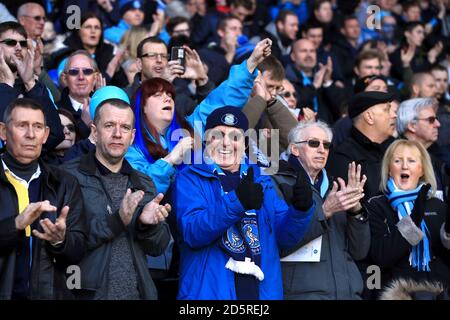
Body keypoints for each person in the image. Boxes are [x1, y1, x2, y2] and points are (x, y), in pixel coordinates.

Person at [174, 106, 315, 299]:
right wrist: (237, 202)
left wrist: (300, 211)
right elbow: (193, 231)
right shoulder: (189, 178)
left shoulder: (261, 179)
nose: (226, 143)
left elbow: (285, 238)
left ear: (245, 143)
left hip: (261, 294)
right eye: (218, 134)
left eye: (235, 136)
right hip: (210, 293)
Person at [63, 86, 172, 299]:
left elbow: (158, 248)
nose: (117, 134)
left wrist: (147, 226)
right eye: (109, 125)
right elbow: (64, 245)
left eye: (124, 128)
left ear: (132, 137)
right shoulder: (68, 177)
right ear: (94, 132)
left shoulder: (144, 182)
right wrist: (118, 220)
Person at [126, 38, 272, 194]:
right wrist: (170, 160)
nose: (167, 98)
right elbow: (140, 188)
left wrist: (251, 63)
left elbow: (221, 101)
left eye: (169, 94)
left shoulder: (189, 128)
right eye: (157, 95)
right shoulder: (130, 144)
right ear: (142, 107)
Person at [0, 98, 87, 299]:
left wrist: (60, 241)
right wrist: (15, 225)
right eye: (22, 126)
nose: (31, 134)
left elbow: (79, 250)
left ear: (46, 134)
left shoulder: (64, 182)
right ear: (3, 132)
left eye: (37, 127)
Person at [272, 120, 369, 300]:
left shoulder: (337, 187)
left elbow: (359, 251)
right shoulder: (276, 183)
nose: (321, 150)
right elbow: (281, 243)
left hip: (349, 294)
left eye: (326, 145)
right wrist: (323, 211)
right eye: (314, 143)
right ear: (294, 149)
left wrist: (356, 211)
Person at [367, 139, 450, 292]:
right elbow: (381, 256)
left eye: (411, 161)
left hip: (440, 291)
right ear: (389, 169)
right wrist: (413, 221)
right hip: (398, 293)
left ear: (422, 169)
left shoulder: (438, 205)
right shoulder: (376, 205)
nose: (404, 166)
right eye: (398, 161)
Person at [0, 21, 64, 153]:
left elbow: (55, 135)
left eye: (23, 44)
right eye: (10, 42)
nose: (18, 47)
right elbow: (5, 138)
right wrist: (6, 86)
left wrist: (29, 82)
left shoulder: (34, 88)